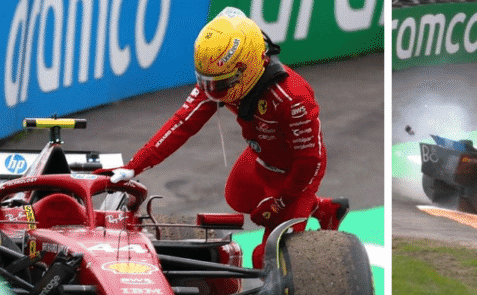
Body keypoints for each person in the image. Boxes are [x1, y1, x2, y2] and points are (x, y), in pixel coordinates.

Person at [102, 7, 347, 268]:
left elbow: (310, 161)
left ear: (247, 67)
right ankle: (325, 209)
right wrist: (133, 167)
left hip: (298, 173)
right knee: (237, 197)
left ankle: (307, 207)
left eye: (218, 83)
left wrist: (280, 203)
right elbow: (181, 124)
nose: (210, 91)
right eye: (205, 81)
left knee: (266, 261)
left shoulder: (293, 97)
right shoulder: (223, 81)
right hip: (261, 157)